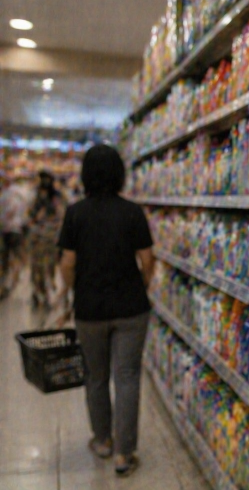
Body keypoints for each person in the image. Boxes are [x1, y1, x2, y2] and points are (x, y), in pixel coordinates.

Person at [56, 144, 155, 477]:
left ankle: (102, 441)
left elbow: (67, 262)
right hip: (131, 307)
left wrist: (72, 291)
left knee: (96, 376)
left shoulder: (75, 213)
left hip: (90, 309)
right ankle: (124, 454)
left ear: (85, 175)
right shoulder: (132, 212)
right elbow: (148, 259)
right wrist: (143, 284)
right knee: (127, 377)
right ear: (119, 174)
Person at [28, 171, 65, 307]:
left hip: (48, 237)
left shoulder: (56, 197)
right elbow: (30, 216)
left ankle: (45, 291)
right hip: (39, 237)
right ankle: (39, 291)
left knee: (48, 266)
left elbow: (61, 214)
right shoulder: (35, 196)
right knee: (38, 267)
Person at [0, 173, 28, 297]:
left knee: (8, 256)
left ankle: (11, 281)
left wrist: (3, 220)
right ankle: (11, 280)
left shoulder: (9, 193)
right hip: (13, 228)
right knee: (10, 256)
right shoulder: (15, 193)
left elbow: (11, 210)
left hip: (10, 229)